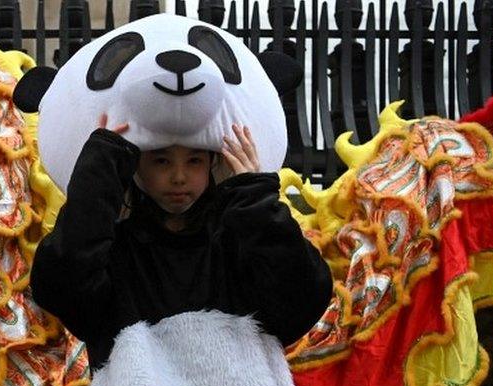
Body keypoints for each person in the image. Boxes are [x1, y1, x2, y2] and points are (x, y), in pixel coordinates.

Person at [30, 116, 333, 372]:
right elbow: (63, 287)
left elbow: (300, 302)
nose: (178, 177)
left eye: (194, 161)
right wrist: (98, 174)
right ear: (136, 166)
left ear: (214, 163)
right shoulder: (114, 252)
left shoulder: (237, 243)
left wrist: (255, 200)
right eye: (161, 160)